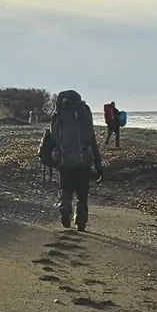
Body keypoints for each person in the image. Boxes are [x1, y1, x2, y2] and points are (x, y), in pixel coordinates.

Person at [40, 90, 103, 231]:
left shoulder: (58, 116)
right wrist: (99, 165)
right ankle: (80, 222)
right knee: (82, 193)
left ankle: (64, 206)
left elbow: (53, 139)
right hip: (84, 160)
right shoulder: (84, 113)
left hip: (64, 161)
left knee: (66, 188)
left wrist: (51, 157)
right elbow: (91, 140)